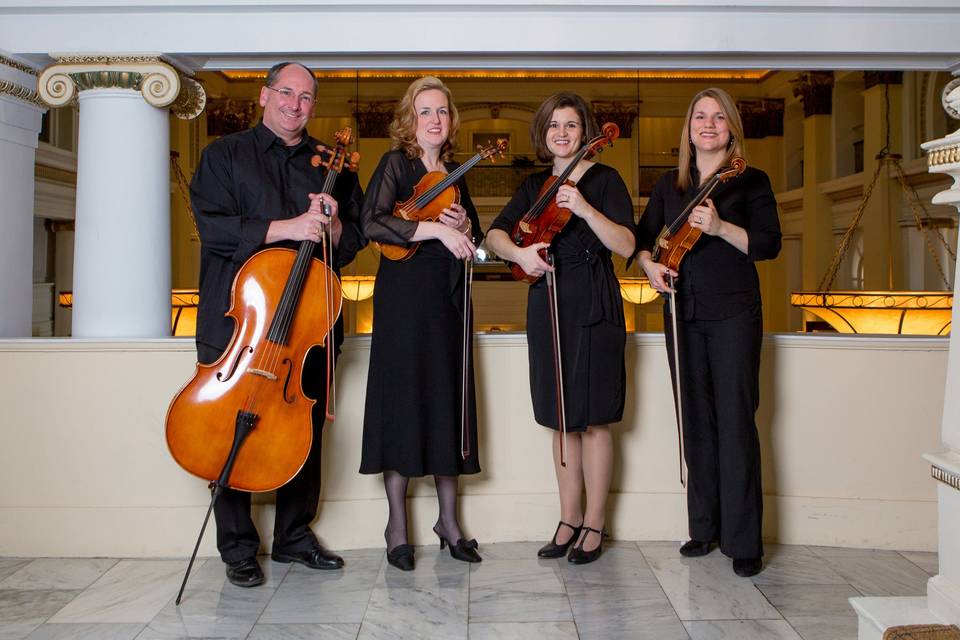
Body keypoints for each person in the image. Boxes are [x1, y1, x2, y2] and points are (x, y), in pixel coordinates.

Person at [190, 61, 365, 587]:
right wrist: (288, 226)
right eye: (286, 93)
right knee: (229, 430)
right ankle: (238, 547)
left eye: (306, 97)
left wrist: (333, 223)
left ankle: (293, 537)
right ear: (264, 96)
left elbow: (352, 245)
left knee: (301, 430)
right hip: (238, 322)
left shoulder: (332, 166)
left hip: (305, 330)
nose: (295, 104)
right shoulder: (224, 155)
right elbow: (213, 229)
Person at [635, 87, 781, 578]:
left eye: (719, 117)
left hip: (735, 313)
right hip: (682, 311)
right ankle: (705, 528)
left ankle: (744, 540)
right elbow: (641, 243)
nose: (709, 124)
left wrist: (720, 228)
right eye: (701, 116)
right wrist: (650, 268)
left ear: (731, 128)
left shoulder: (751, 181)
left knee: (736, 420)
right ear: (689, 127)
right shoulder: (668, 186)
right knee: (694, 419)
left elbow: (768, 244)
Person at [486, 92, 635, 564]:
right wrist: (520, 253)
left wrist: (587, 209)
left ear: (584, 131)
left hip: (594, 300)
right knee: (560, 417)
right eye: (554, 126)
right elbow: (494, 234)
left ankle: (595, 522)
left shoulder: (605, 180)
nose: (563, 133)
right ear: (544, 134)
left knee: (592, 419)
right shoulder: (534, 184)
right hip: (548, 300)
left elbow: (628, 243)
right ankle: (567, 518)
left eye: (571, 125)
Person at [358, 76, 482, 571]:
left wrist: (463, 228)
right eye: (425, 111)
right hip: (404, 300)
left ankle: (449, 523)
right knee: (403, 400)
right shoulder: (396, 164)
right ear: (410, 119)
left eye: (442, 112)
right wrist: (432, 228)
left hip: (445, 300)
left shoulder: (455, 172)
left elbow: (469, 233)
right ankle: (397, 526)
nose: (435, 120)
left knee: (446, 401)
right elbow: (371, 222)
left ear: (451, 121)